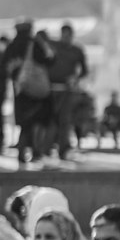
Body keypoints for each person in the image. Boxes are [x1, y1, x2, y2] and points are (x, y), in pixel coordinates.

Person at [7, 20, 54, 167]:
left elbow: (6, 66)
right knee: (38, 120)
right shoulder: (34, 44)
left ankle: (21, 151)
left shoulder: (12, 46)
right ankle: (35, 150)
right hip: (36, 91)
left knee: (24, 122)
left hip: (20, 89)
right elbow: (49, 60)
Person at [47, 24, 89, 161]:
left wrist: (75, 78)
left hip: (67, 89)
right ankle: (48, 147)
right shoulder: (54, 46)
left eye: (68, 35)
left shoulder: (77, 51)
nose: (66, 37)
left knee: (65, 120)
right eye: (64, 35)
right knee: (50, 120)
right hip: (50, 88)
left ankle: (63, 149)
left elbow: (84, 70)